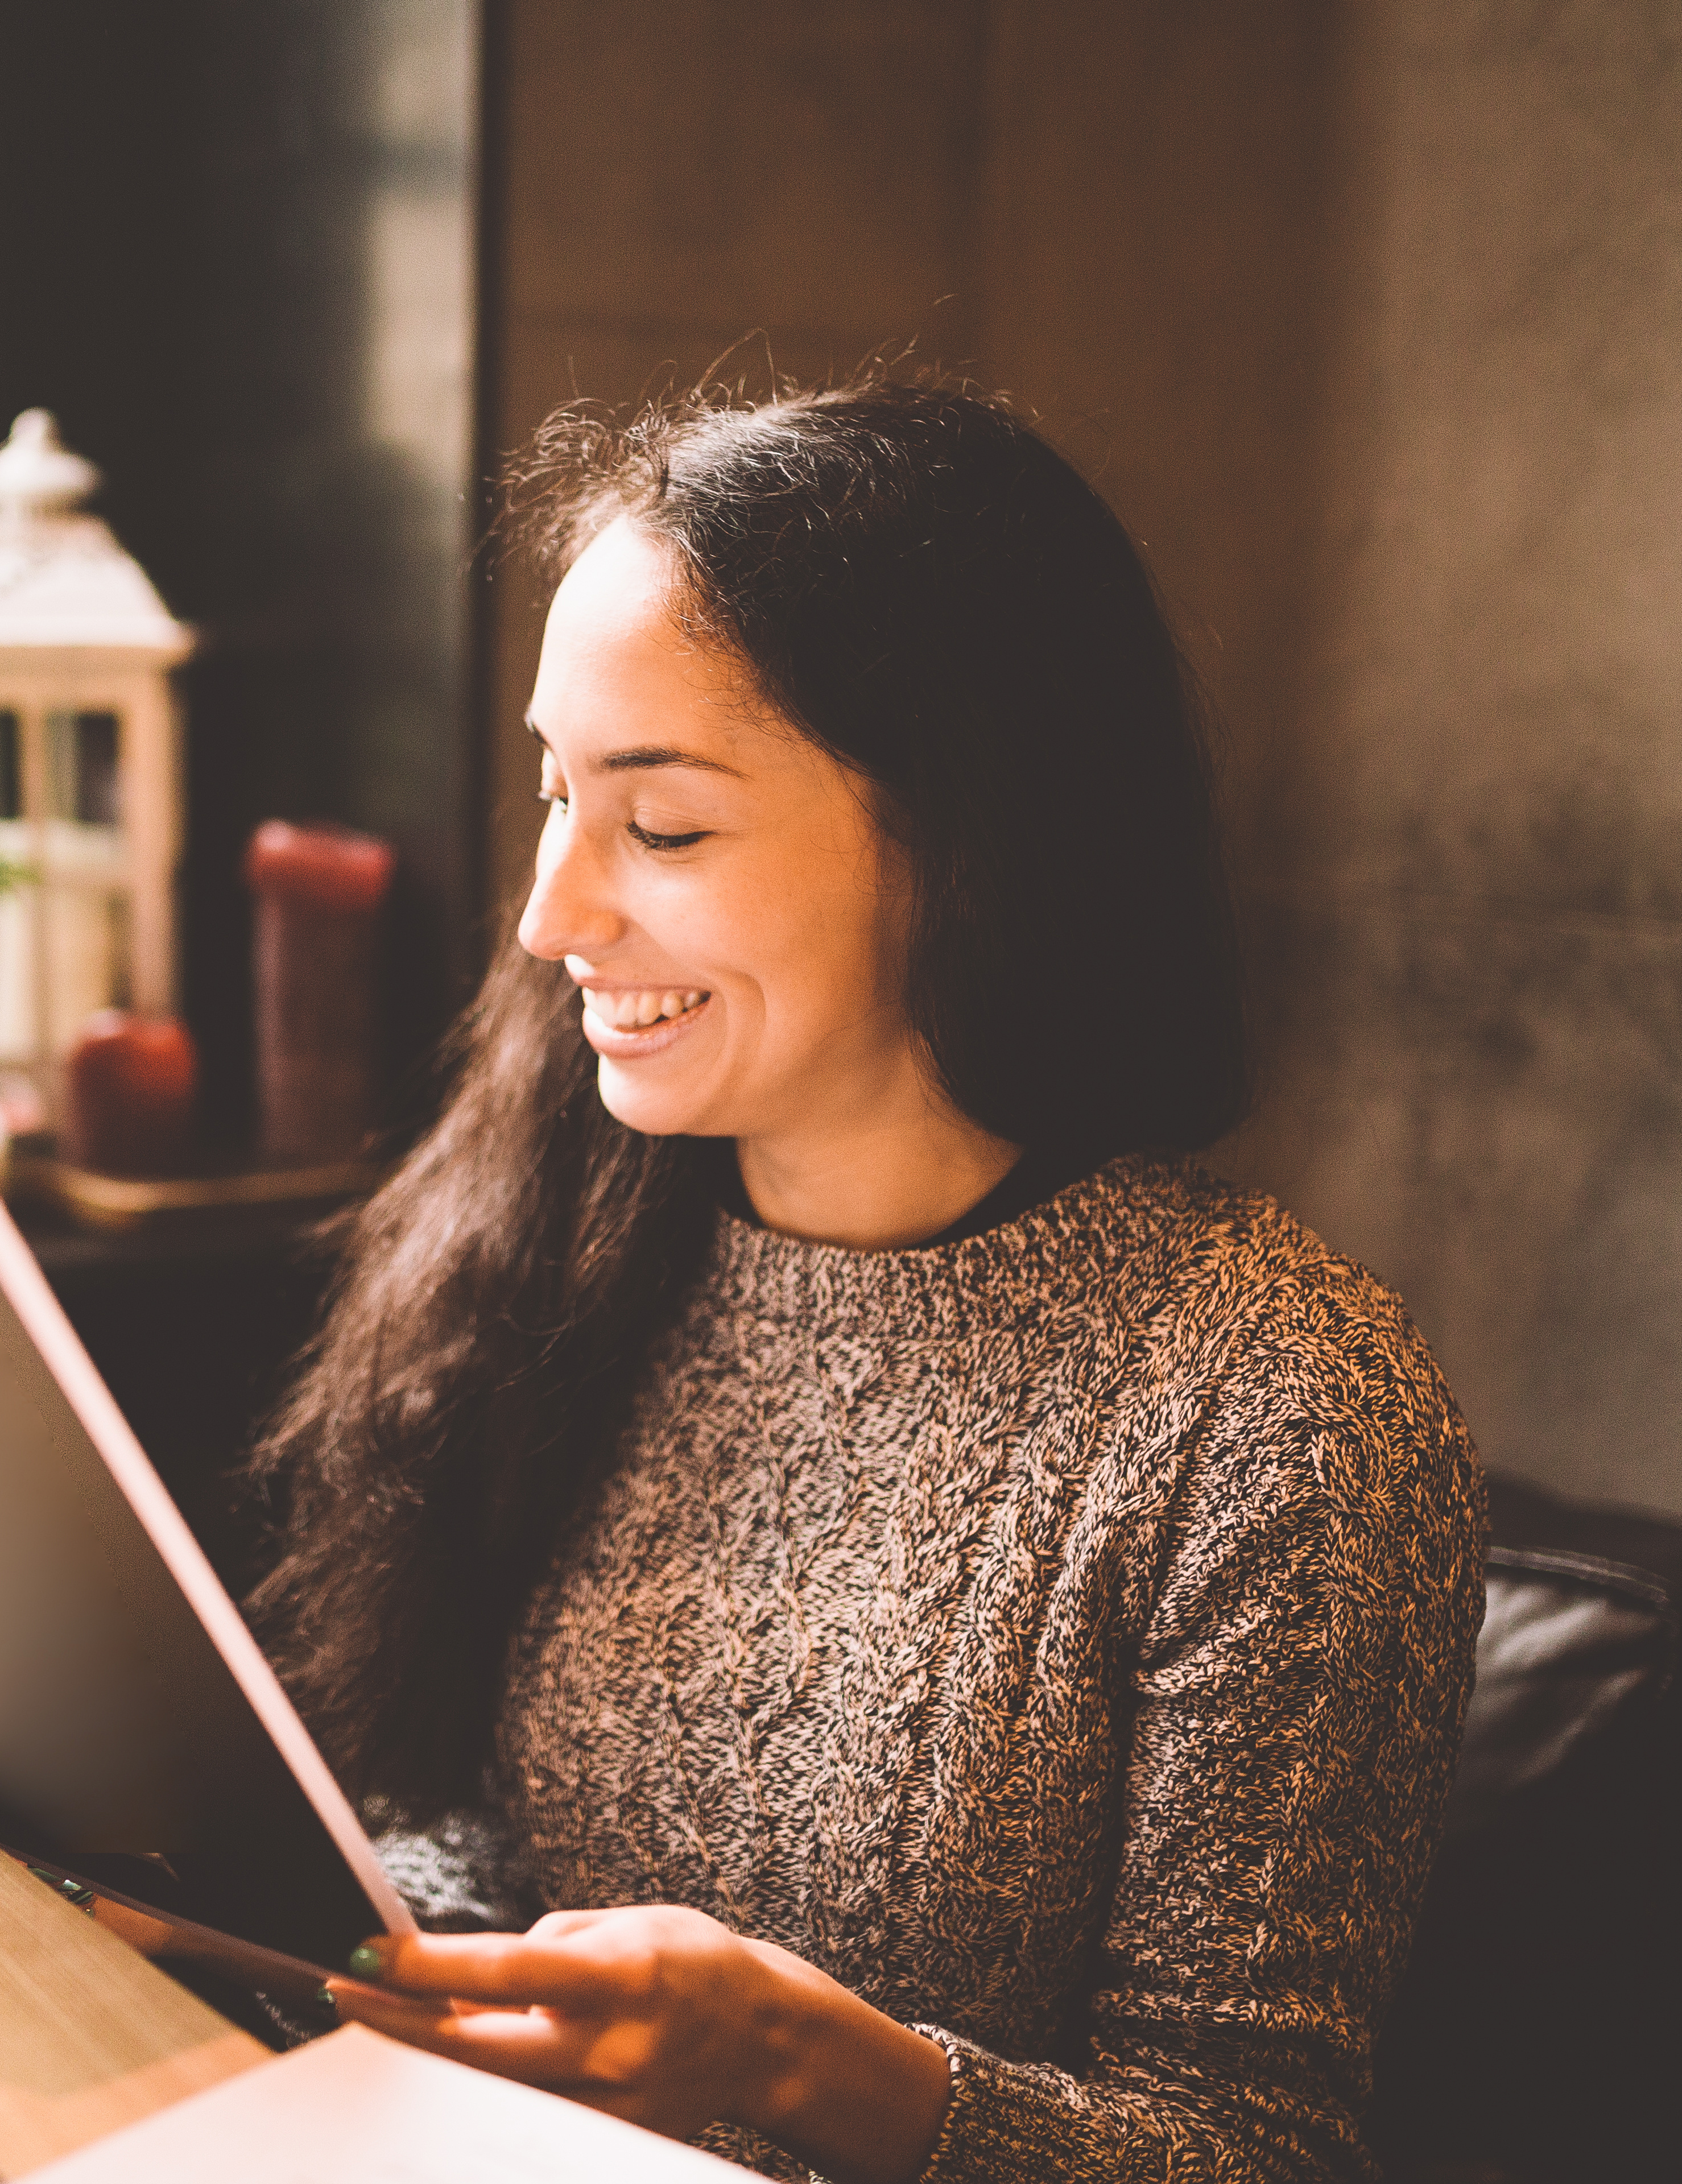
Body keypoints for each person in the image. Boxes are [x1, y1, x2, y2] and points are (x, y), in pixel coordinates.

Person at [240, 378, 1486, 2182]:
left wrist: (802, 2059)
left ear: (969, 839)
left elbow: (1251, 2155)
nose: (551, 915)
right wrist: (224, 1889)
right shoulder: (574, 1229)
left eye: (661, 827)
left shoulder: (1280, 1407)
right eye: (553, 797)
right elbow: (465, 1834)